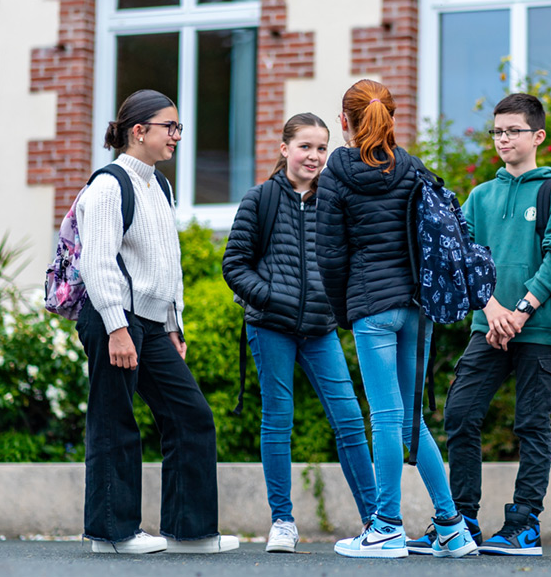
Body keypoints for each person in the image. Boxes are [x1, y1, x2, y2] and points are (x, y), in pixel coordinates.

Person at [407, 92, 551, 558]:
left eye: (513, 131)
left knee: (531, 425)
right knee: (461, 414)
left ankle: (524, 526)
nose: (503, 139)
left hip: (541, 330)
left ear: (537, 136)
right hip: (488, 329)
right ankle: (461, 520)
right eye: (498, 131)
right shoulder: (481, 196)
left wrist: (521, 309)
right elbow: (460, 259)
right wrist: (493, 313)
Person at [315, 79, 477, 560]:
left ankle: (386, 525)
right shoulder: (412, 169)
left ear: (345, 121)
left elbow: (329, 255)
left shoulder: (337, 173)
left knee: (385, 418)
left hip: (373, 308)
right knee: (411, 421)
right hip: (416, 309)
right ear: (390, 118)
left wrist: (347, 311)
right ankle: (452, 527)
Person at [75, 89, 239, 555]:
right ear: (138, 130)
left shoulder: (159, 185)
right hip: (116, 318)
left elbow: (169, 263)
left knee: (191, 415)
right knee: (115, 421)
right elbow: (98, 261)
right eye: (171, 127)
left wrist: (173, 325)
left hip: (149, 321)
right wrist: (116, 326)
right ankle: (112, 533)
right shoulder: (109, 185)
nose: (177, 136)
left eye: (179, 128)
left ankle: (190, 532)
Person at [222, 113, 378, 553]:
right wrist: (271, 298)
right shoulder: (260, 199)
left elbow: (351, 260)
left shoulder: (335, 200)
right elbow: (234, 264)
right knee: (278, 420)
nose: (314, 156)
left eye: (322, 147)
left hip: (321, 329)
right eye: (305, 146)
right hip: (270, 326)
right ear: (284, 148)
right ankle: (283, 522)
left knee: (348, 419)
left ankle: (376, 521)